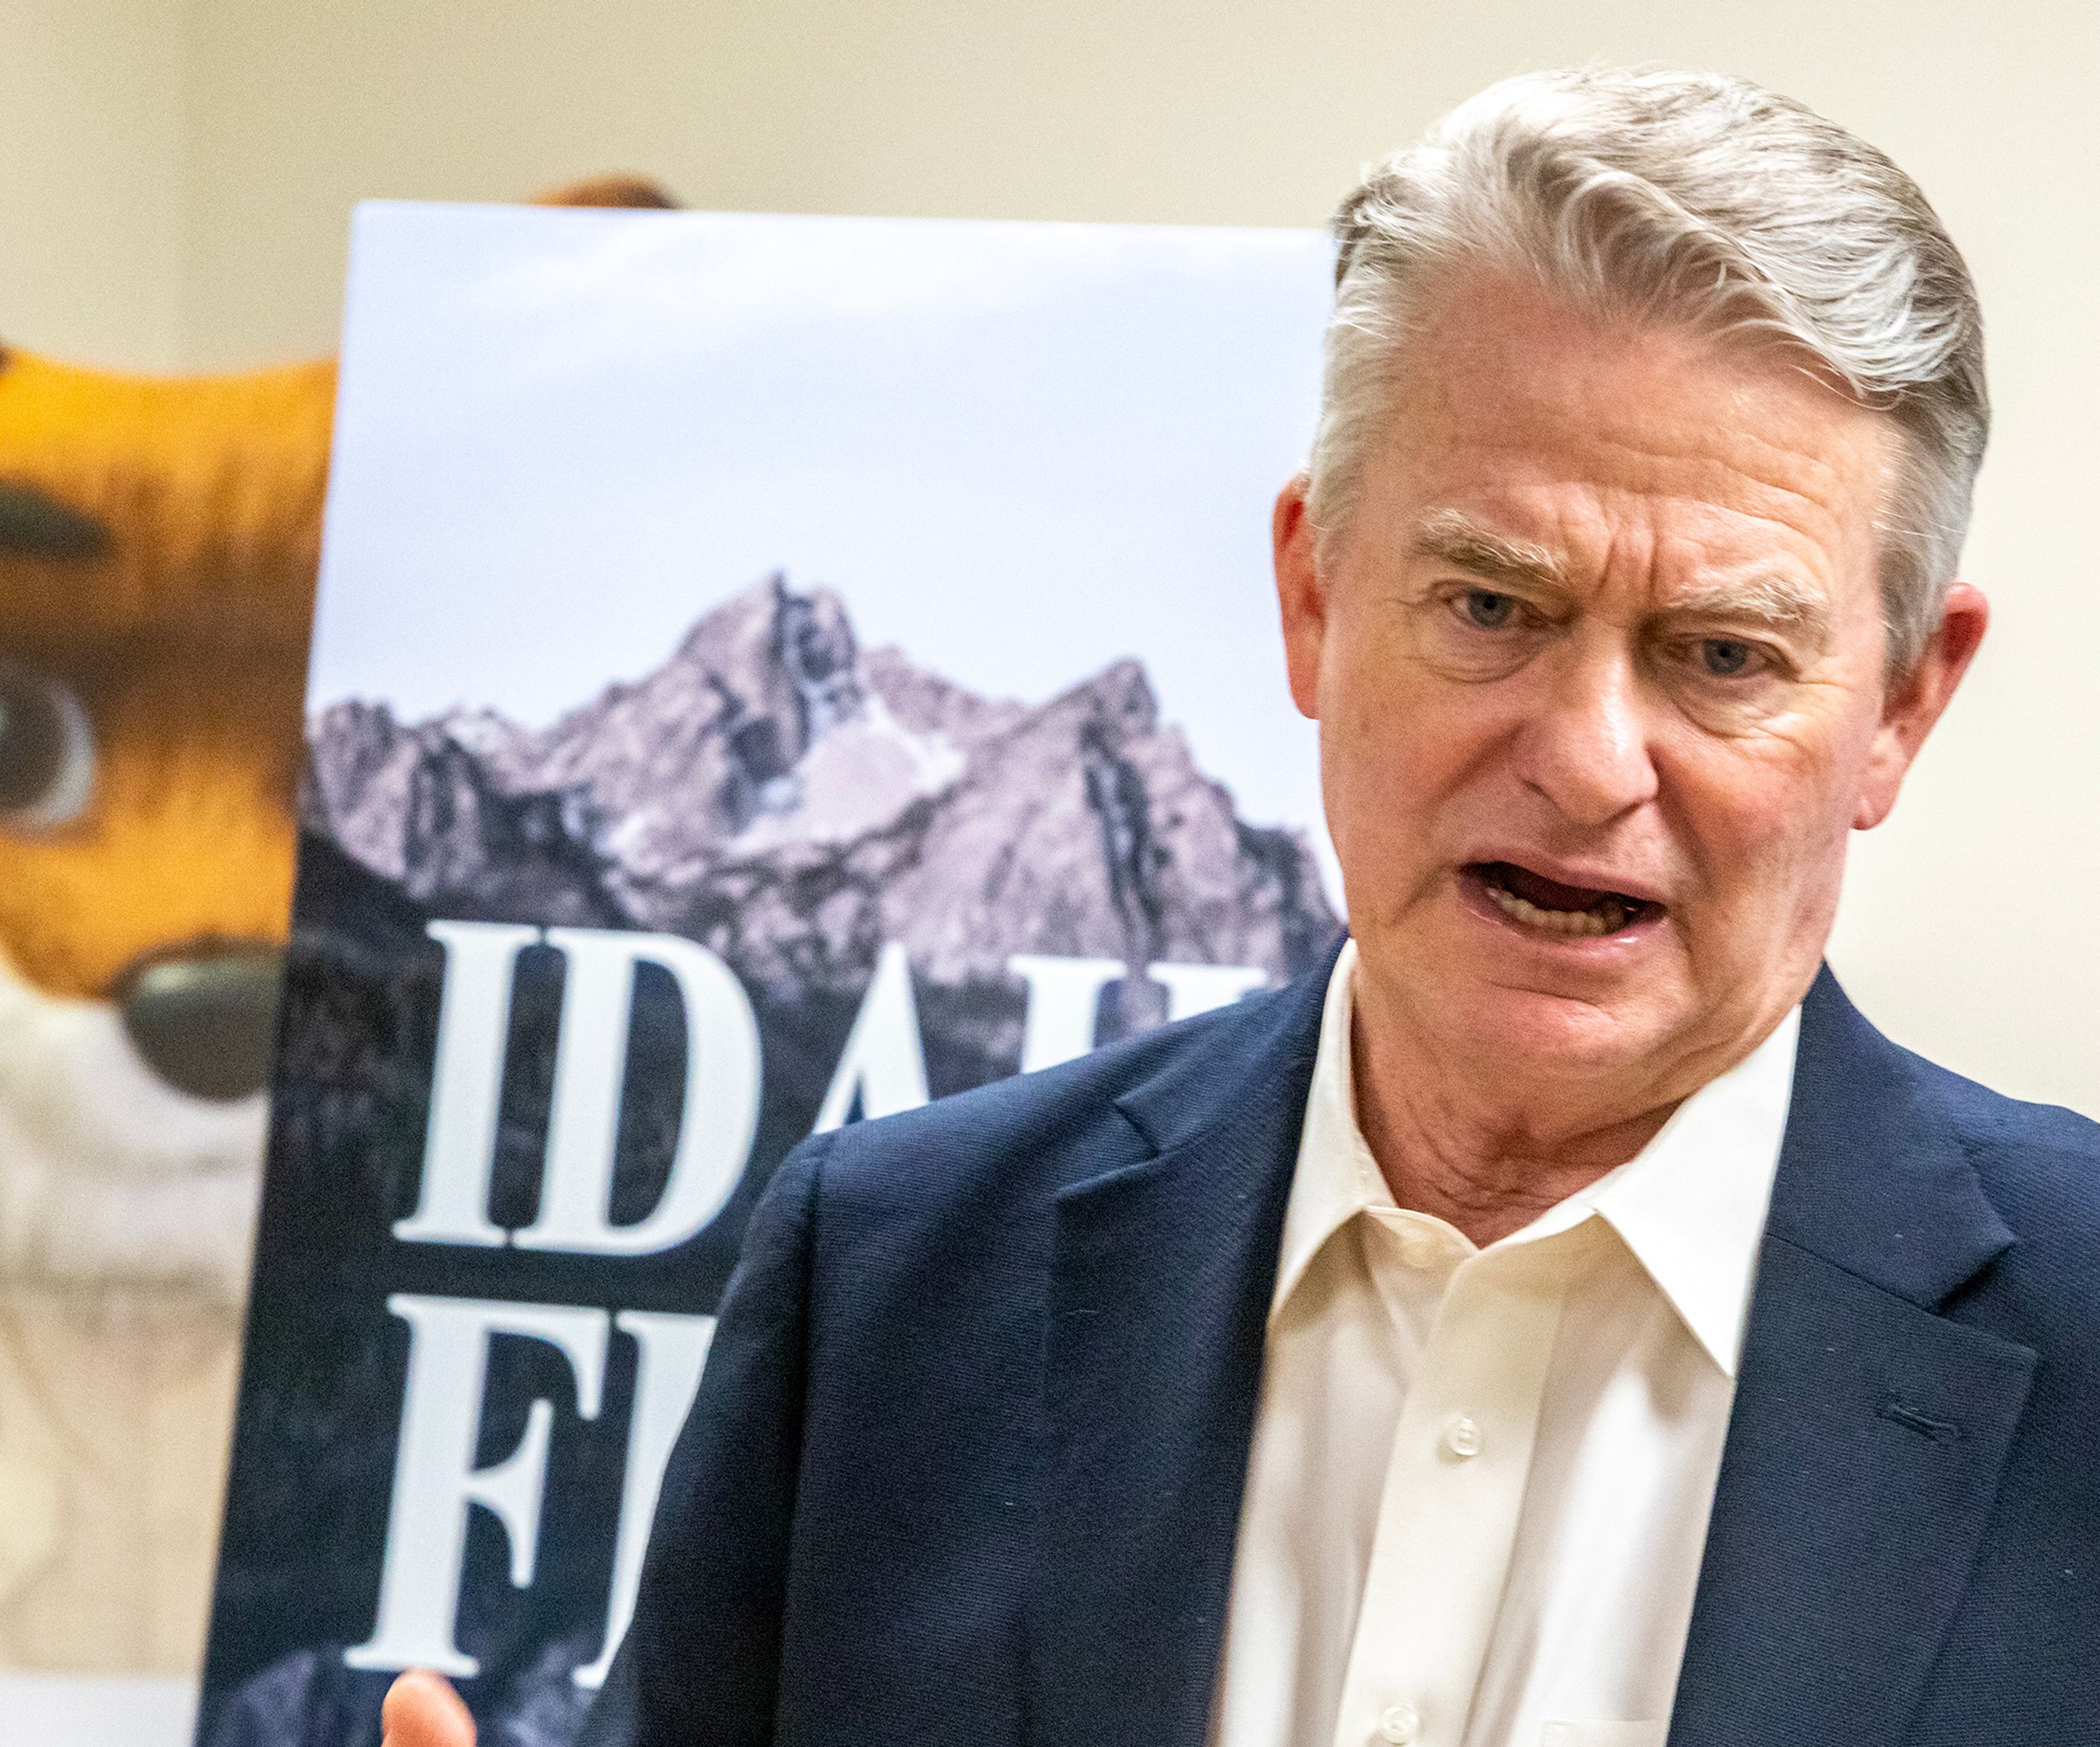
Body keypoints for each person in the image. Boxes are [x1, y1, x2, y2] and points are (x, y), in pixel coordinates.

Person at [386, 65, 2100, 1747]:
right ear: (1312, 594)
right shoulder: (894, 1277)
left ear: (1899, 706)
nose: (1586, 765)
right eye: (1492, 604)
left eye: (1722, 655)